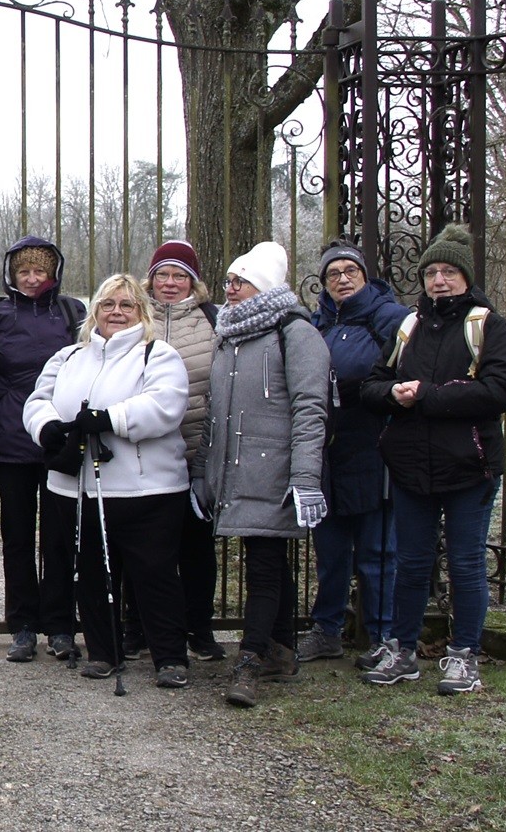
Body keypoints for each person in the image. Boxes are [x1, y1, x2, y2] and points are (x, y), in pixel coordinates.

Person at [360, 225, 506, 695]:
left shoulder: (489, 326)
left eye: (449, 271)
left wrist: (425, 395)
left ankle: (464, 654)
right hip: (411, 467)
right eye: (431, 272)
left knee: (466, 563)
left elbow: (499, 391)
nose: (439, 281)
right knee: (411, 563)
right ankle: (403, 650)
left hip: (469, 466)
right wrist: (393, 393)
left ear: (466, 277)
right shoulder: (408, 327)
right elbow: (372, 385)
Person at [23, 274, 192, 689]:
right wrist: (46, 429)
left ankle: (170, 657)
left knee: (154, 576)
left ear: (141, 312)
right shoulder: (68, 357)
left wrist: (109, 419)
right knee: (92, 574)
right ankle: (103, 651)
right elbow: (37, 401)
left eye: (127, 305)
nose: (116, 312)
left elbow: (166, 405)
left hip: (146, 490)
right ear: (94, 311)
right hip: (77, 489)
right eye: (108, 304)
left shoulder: (158, 354)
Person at [191, 241, 330, 708]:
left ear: (264, 287)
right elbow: (215, 414)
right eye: (228, 281)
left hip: (276, 474)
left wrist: (305, 477)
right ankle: (281, 651)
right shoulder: (230, 334)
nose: (229, 289)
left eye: (240, 281)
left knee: (266, 568)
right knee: (265, 559)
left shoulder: (296, 333)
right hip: (236, 472)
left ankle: (249, 660)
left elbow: (311, 409)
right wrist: (202, 473)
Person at [0, 236, 87, 663]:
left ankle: (60, 626)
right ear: (11, 275)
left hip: (58, 442)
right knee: (16, 538)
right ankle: (22, 627)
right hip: (9, 442)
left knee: (59, 540)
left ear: (53, 273)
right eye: (24, 272)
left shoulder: (72, 313)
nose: (33, 278)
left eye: (40, 271)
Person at [297, 240, 410, 671]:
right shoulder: (317, 323)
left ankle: (383, 635)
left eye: (350, 272)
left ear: (364, 276)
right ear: (323, 283)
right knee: (330, 551)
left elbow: (400, 369)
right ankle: (327, 630)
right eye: (333, 274)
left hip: (373, 450)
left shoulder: (388, 317)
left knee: (378, 551)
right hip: (326, 451)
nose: (342, 279)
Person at [123, 240, 226, 662]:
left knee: (197, 546)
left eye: (179, 275)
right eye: (162, 275)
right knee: (142, 547)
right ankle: (137, 627)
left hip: (196, 449)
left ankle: (198, 628)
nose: (169, 283)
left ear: (193, 282)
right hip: (143, 452)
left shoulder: (213, 319)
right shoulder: (132, 316)